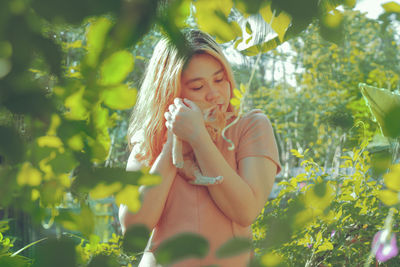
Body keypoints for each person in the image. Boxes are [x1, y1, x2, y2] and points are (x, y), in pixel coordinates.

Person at [119, 29, 281, 267]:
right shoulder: (149, 140)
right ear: (170, 92)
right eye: (197, 87)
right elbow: (134, 233)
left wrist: (199, 138)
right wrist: (171, 147)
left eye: (219, 79)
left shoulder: (250, 127)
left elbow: (245, 210)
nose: (215, 95)